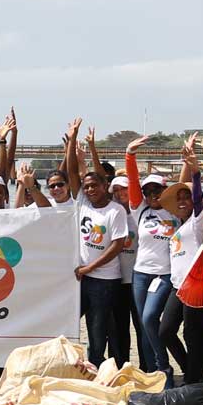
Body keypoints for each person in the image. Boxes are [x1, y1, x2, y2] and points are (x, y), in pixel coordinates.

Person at [69, 138, 132, 367]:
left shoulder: (115, 211)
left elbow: (117, 245)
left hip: (105, 281)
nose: (89, 190)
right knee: (72, 320)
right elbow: (72, 174)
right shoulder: (84, 204)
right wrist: (72, 143)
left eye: (94, 186)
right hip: (83, 278)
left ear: (105, 186)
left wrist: (90, 267)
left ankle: (97, 364)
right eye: (86, 187)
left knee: (98, 329)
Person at [124, 138, 180, 376]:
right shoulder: (141, 210)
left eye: (157, 190)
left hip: (165, 275)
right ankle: (151, 373)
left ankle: (163, 366)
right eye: (148, 191)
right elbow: (134, 183)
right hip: (141, 274)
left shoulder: (177, 211)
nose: (152, 194)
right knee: (144, 326)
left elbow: (186, 188)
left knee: (149, 319)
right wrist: (130, 155)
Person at [158, 163, 203, 386]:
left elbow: (199, 200)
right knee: (166, 331)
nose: (182, 202)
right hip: (177, 286)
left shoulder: (199, 222)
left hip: (195, 284)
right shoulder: (179, 225)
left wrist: (195, 172)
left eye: (186, 198)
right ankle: (190, 369)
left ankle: (195, 377)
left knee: (193, 334)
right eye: (178, 198)